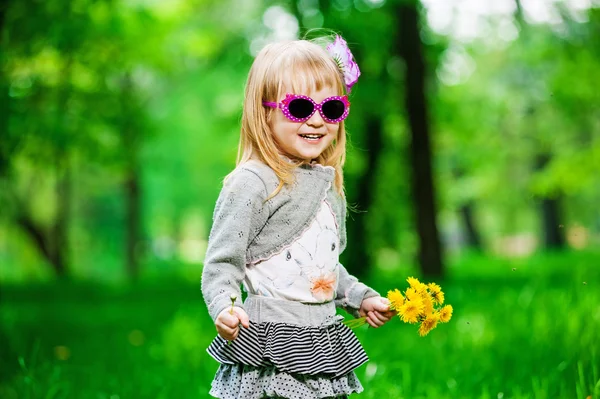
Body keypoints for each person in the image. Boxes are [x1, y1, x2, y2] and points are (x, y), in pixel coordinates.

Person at [201, 35, 394, 399]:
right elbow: (222, 263)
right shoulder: (252, 183)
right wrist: (225, 306)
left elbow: (323, 269)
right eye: (301, 107)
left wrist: (359, 297)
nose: (318, 121)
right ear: (265, 111)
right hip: (271, 339)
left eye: (332, 109)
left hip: (321, 337)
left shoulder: (327, 185)